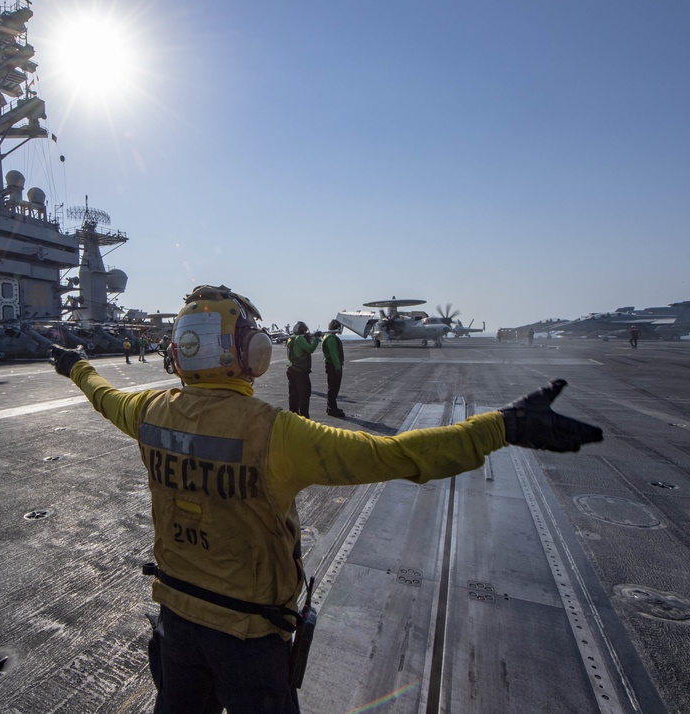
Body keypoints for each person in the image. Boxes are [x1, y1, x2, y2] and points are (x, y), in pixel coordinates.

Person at [48, 284, 603, 714]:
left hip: (176, 623)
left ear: (179, 350)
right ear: (249, 351)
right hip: (251, 639)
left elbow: (104, 395)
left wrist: (75, 365)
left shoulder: (149, 413)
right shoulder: (276, 433)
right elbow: (396, 455)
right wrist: (503, 426)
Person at [286, 321, 321, 419]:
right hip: (300, 372)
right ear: (302, 329)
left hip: (291, 370)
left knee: (293, 395)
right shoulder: (299, 339)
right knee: (304, 395)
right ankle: (304, 418)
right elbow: (310, 349)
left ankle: (293, 417)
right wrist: (317, 340)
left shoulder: (290, 338)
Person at [322, 319, 345, 418]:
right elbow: (334, 355)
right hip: (333, 366)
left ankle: (331, 407)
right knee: (333, 388)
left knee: (333, 388)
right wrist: (337, 368)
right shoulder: (331, 339)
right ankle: (331, 408)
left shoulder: (328, 336)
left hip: (331, 365)